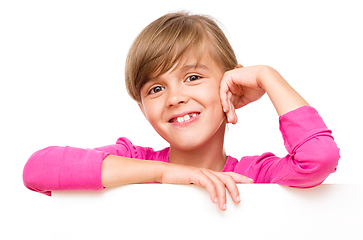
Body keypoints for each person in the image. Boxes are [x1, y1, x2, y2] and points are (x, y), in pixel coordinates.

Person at [23, 12, 340, 211]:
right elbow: (38, 170)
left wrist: (268, 77)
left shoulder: (255, 176)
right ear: (142, 107)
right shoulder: (134, 162)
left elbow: (319, 158)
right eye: (156, 89)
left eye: (193, 78)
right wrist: (165, 173)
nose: (174, 97)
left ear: (231, 83)